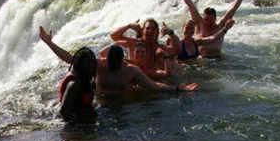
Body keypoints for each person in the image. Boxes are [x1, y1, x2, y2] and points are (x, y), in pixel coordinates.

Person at [38, 26, 198, 102]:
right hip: (100, 103)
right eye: (109, 61)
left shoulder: (131, 71)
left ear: (122, 61)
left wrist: (177, 89)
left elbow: (153, 85)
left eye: (115, 62)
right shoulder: (100, 64)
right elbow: (71, 58)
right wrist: (49, 43)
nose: (111, 65)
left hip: (122, 106)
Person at [176, 0, 250, 58]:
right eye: (206, 19)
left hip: (217, 60)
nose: (209, 22)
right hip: (202, 59)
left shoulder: (221, 25)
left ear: (215, 19)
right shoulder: (200, 24)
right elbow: (191, 6)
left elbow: (233, 8)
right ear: (203, 18)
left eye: (211, 20)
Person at [109, 18, 180, 78]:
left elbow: (177, 50)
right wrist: (129, 26)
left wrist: (171, 33)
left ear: (157, 32)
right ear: (143, 30)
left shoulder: (159, 48)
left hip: (154, 81)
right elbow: (114, 36)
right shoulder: (134, 43)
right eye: (147, 28)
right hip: (134, 79)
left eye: (153, 29)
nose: (150, 31)